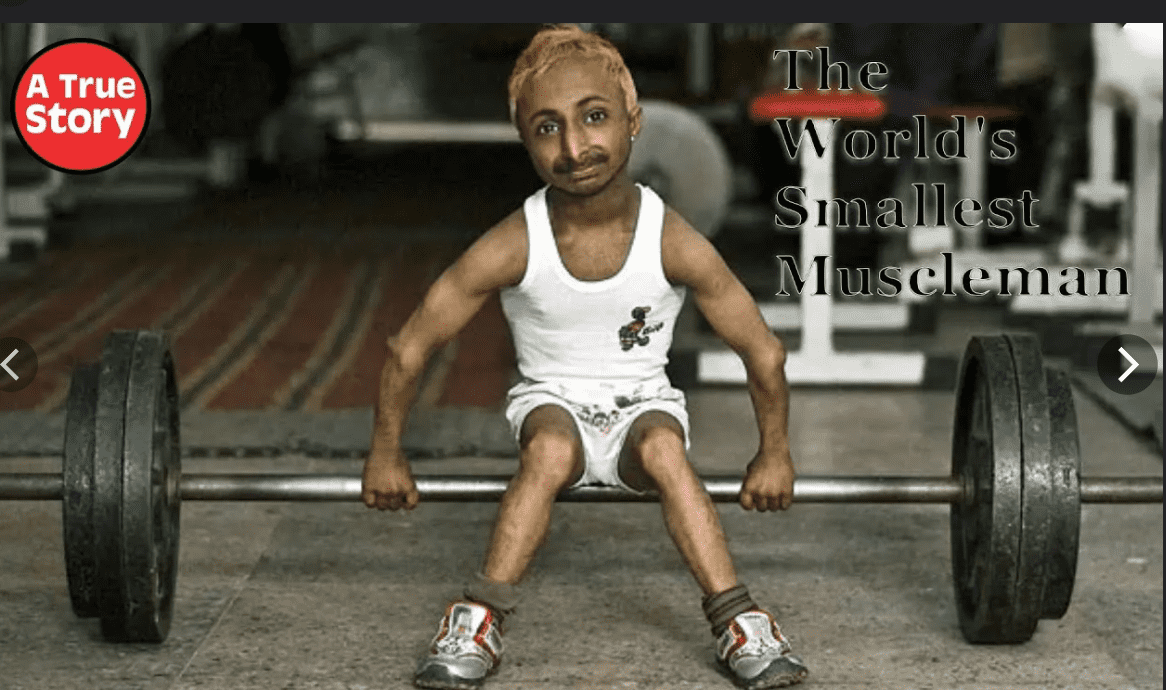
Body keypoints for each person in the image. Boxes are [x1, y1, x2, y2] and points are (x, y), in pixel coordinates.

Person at [361, 24, 809, 690]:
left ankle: (739, 620)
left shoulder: (671, 239)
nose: (573, 149)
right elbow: (411, 346)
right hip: (553, 404)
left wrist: (774, 455)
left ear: (634, 120)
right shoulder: (515, 242)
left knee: (664, 450)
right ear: (524, 141)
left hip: (643, 406)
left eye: (594, 117)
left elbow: (762, 352)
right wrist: (385, 454)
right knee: (548, 451)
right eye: (547, 128)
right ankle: (477, 618)